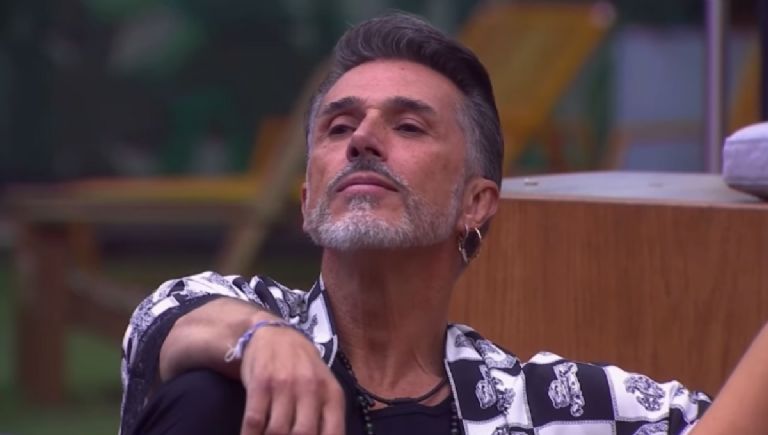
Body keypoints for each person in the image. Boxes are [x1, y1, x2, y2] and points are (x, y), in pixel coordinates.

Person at [119, 12, 768, 435]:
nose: (362, 139)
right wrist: (262, 338)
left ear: (475, 203)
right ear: (309, 194)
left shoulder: (538, 405)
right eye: (339, 126)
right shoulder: (240, 364)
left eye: (408, 126)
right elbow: (163, 317)